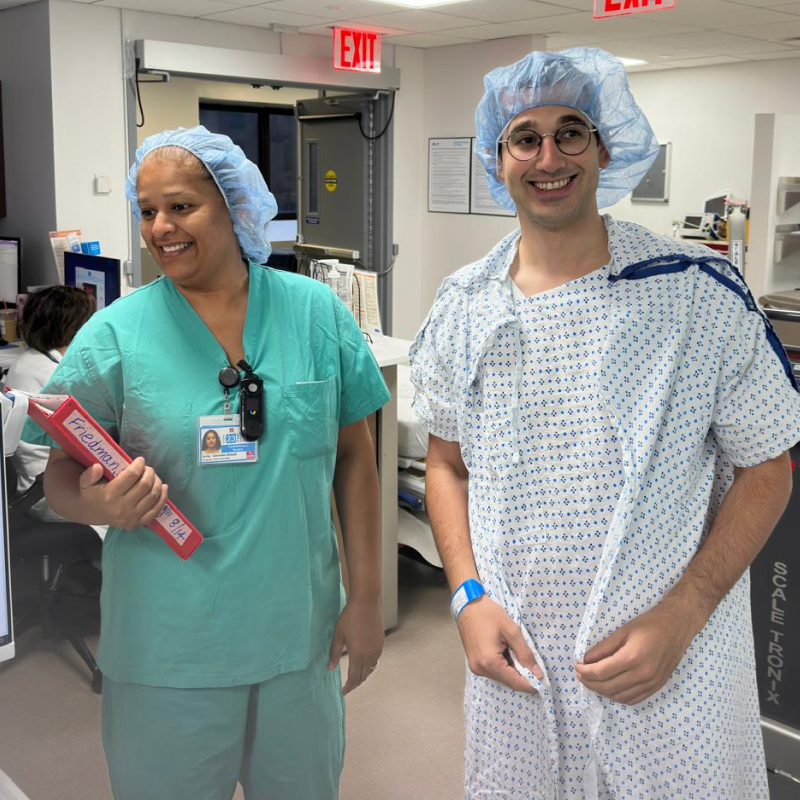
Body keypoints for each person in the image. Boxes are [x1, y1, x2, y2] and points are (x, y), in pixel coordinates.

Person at [411, 48, 800, 800]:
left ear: (605, 147)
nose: (548, 156)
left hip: (674, 665)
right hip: (516, 663)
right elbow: (446, 464)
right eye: (526, 136)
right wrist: (465, 596)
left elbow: (768, 466)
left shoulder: (696, 293)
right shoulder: (464, 307)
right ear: (499, 157)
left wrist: (684, 613)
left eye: (572, 132)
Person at [22, 125, 389, 800]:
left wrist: (367, 599)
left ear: (233, 205)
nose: (161, 226)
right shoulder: (114, 335)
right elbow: (61, 476)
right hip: (170, 644)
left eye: (181, 206)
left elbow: (354, 460)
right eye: (146, 210)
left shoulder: (315, 314)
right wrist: (97, 504)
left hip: (295, 634)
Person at [6, 285, 95, 515]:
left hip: (35, 482)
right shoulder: (59, 378)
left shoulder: (27, 360)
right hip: (50, 491)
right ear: (79, 328)